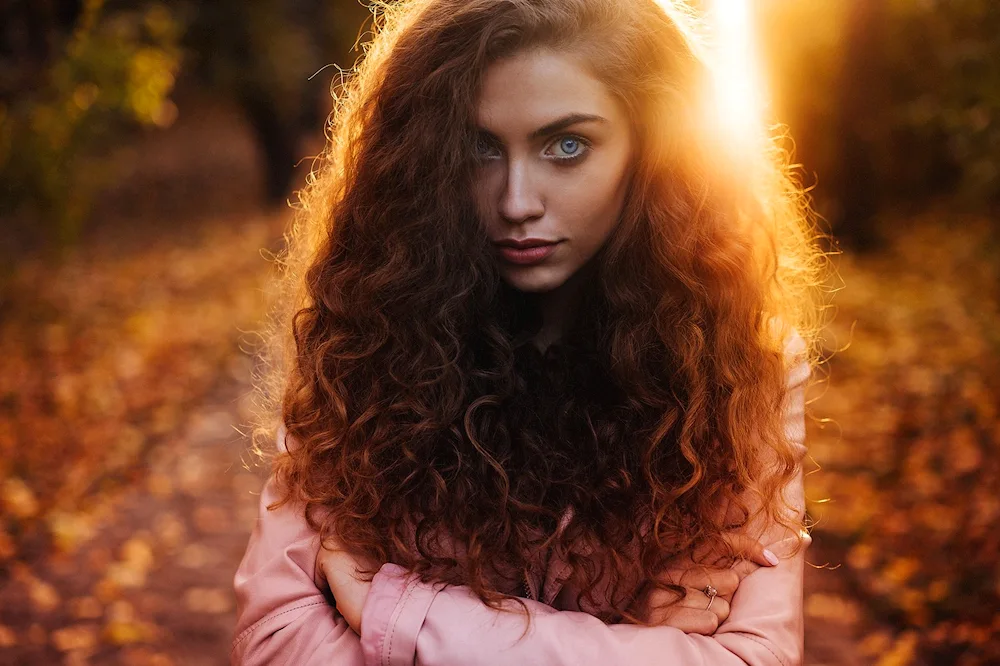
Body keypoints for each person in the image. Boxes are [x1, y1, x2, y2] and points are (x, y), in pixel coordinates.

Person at [231, 0, 829, 663]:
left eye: (566, 146)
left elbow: (754, 657)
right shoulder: (368, 339)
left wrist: (398, 614)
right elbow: (277, 640)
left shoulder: (740, 362)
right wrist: (637, 643)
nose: (517, 202)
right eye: (481, 149)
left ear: (653, 150)